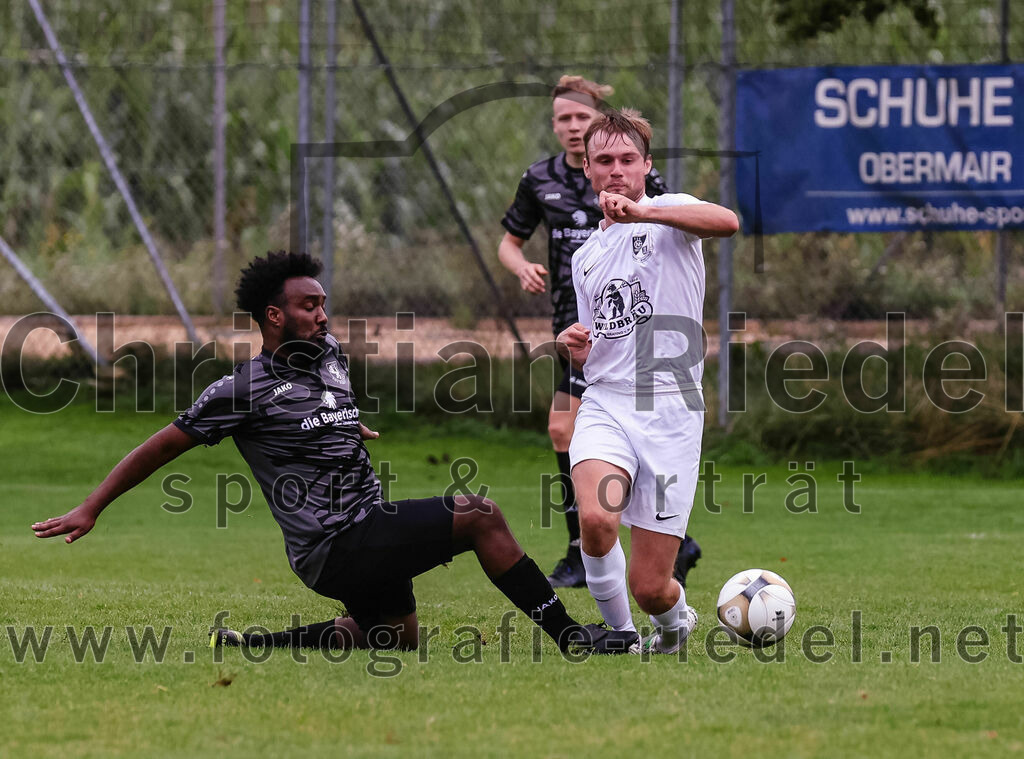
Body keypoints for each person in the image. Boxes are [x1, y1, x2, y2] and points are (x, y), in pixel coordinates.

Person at [31, 251, 592, 654]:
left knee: (394, 637)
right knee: (480, 515)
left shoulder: (327, 355)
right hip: (335, 542)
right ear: (275, 316)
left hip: (364, 526)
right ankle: (571, 637)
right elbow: (162, 445)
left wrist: (348, 428)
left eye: (323, 304)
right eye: (309, 306)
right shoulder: (242, 388)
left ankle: (257, 644)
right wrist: (92, 507)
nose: (323, 315)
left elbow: (320, 415)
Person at [499, 75, 702, 589]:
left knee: (566, 431)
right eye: (563, 119)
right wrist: (522, 268)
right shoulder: (542, 184)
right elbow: (509, 242)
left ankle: (660, 537)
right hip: (588, 348)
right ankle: (586, 548)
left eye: (581, 119)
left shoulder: (654, 200)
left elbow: (715, 223)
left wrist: (642, 210)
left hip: (653, 369)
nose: (573, 127)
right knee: (564, 432)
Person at [557, 109, 739, 653]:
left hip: (671, 409)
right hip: (606, 402)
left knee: (651, 587)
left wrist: (644, 213)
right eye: (605, 161)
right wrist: (578, 350)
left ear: (646, 166)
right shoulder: (586, 255)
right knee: (594, 518)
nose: (616, 171)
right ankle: (619, 636)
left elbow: (727, 222)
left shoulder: (671, 213)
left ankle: (675, 623)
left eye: (627, 160)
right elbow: (597, 346)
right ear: (587, 169)